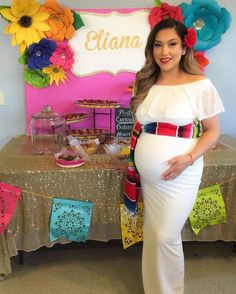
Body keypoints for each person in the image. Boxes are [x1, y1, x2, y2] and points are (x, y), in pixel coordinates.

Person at [126, 18, 225, 294]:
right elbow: (142, 125)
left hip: (182, 173)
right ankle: (154, 289)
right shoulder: (145, 82)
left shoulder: (200, 84)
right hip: (151, 178)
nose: (164, 51)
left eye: (171, 44)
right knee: (153, 233)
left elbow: (212, 131)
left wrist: (188, 158)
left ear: (184, 48)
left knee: (166, 235)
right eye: (158, 45)